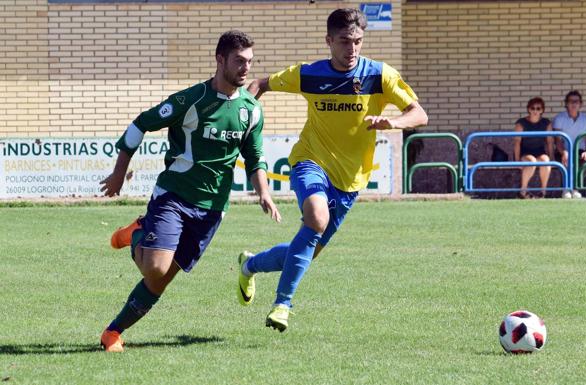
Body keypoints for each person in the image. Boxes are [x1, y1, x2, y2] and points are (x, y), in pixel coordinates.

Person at [240, 8, 428, 332]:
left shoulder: (379, 75)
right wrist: (241, 112)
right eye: (344, 41)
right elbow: (260, 83)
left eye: (358, 41)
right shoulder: (309, 74)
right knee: (316, 218)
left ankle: (250, 264)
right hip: (310, 161)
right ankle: (283, 304)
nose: (352, 49)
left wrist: (394, 122)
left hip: (350, 181)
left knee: (306, 251)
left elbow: (419, 113)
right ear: (329, 41)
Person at [98, 30, 281, 352]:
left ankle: (112, 332)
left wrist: (263, 191)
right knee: (154, 266)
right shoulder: (191, 99)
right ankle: (138, 232)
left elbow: (255, 156)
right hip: (174, 196)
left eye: (250, 62)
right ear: (220, 59)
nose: (245, 68)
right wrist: (118, 173)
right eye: (239, 61)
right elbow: (141, 123)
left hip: (212, 207)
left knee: (161, 279)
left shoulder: (252, 109)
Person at [553, 90, 586, 198]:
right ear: (566, 103)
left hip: (580, 151)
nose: (574, 104)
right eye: (571, 101)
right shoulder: (559, 118)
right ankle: (566, 189)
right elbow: (557, 139)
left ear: (580, 103)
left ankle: (576, 189)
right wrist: (563, 152)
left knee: (585, 161)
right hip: (563, 150)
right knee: (567, 160)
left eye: (576, 101)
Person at [513, 97, 554, 199]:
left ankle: (543, 192)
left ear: (542, 110)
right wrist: (517, 160)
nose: (535, 111)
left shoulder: (546, 123)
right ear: (528, 109)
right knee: (532, 161)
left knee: (545, 161)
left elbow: (550, 142)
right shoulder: (521, 123)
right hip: (525, 153)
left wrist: (552, 158)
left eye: (538, 108)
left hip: (540, 152)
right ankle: (523, 191)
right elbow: (517, 142)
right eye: (533, 108)